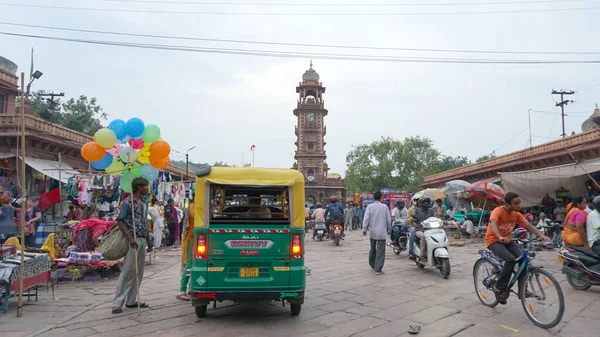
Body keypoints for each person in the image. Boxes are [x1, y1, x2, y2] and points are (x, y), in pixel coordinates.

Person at [486, 192, 549, 304]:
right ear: (507, 203)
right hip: (494, 241)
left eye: (519, 202)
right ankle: (499, 287)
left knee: (523, 259)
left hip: (508, 241)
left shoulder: (516, 214)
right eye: (516, 203)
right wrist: (499, 236)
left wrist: (541, 235)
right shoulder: (498, 211)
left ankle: (522, 290)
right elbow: (493, 224)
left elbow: (528, 226)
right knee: (510, 259)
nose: (519, 205)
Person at [112, 177, 152, 314]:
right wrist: (129, 237)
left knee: (139, 272)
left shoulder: (145, 203)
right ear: (138, 187)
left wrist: (149, 240)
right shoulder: (127, 203)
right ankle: (117, 303)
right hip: (132, 240)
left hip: (142, 239)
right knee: (128, 271)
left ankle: (131, 300)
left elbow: (144, 222)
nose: (147, 189)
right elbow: (120, 221)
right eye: (145, 186)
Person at [362, 192, 391, 275]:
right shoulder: (384, 207)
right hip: (381, 232)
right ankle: (378, 269)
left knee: (373, 248)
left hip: (373, 232)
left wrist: (364, 229)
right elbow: (388, 220)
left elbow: (366, 219)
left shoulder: (370, 207)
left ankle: (372, 264)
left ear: (373, 198)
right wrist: (390, 229)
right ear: (381, 198)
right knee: (380, 251)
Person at [176, 202, 195, 301]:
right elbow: (197, 215)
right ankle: (182, 290)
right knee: (189, 264)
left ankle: (191, 287)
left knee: (194, 264)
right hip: (189, 240)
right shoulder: (193, 206)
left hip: (194, 240)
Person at [411, 197, 435, 261]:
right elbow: (413, 219)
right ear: (421, 203)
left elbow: (435, 219)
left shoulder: (431, 211)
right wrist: (415, 223)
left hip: (430, 230)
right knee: (423, 236)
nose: (426, 203)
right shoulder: (416, 210)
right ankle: (422, 255)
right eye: (425, 202)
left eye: (427, 202)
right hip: (419, 230)